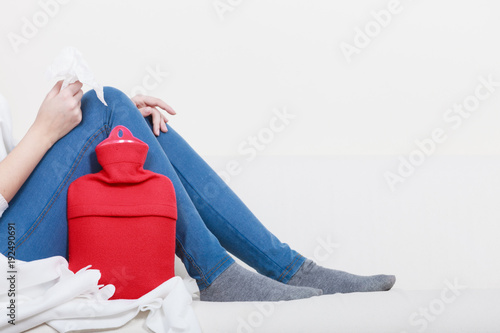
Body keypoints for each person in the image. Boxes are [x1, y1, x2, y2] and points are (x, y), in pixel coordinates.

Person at [0, 81, 395, 302]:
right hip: (7, 272)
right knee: (108, 105)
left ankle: (292, 270)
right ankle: (219, 274)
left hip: (13, 238)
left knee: (127, 119)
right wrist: (44, 130)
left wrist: (116, 127)